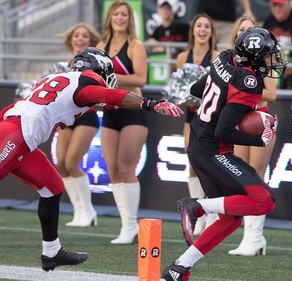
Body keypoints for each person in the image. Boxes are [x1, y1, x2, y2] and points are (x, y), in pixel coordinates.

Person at [0, 47, 183, 272]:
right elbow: (110, 96)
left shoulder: (56, 78)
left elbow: (17, 107)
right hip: (16, 135)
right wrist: (151, 104)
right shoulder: (86, 83)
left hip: (18, 136)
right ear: (100, 69)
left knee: (53, 187)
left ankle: (51, 252)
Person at [161, 28, 287, 280]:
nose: (272, 61)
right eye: (268, 56)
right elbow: (224, 130)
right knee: (265, 201)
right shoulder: (250, 83)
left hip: (198, 145)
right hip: (213, 150)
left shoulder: (226, 57)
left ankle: (178, 268)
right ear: (254, 56)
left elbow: (197, 89)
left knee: (231, 218)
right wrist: (259, 138)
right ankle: (197, 206)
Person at [96, 0, 149, 244]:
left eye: (124, 14)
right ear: (110, 18)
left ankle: (132, 224)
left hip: (132, 109)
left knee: (126, 167)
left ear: (130, 19)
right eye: (116, 14)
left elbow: (141, 78)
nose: (119, 18)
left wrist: (110, 76)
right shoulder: (101, 45)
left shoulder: (135, 46)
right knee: (112, 169)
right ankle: (127, 225)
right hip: (109, 110)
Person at [228, 15, 277, 257]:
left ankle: (255, 236)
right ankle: (250, 237)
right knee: (242, 179)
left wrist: (247, 88)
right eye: (242, 29)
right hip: (237, 122)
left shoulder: (263, 60)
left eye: (250, 29)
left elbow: (273, 94)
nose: (245, 33)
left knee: (257, 176)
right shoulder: (231, 60)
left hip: (259, 120)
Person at [175, 13, 220, 235]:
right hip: (191, 116)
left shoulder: (217, 56)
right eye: (199, 26)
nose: (202, 30)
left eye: (207, 27)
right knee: (192, 164)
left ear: (212, 32)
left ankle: (210, 214)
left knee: (209, 166)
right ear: (193, 30)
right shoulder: (183, 57)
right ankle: (195, 214)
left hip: (211, 118)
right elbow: (179, 90)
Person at [55, 23, 101, 228]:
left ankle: (89, 210)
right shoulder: (60, 66)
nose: (80, 39)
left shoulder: (95, 63)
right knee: (61, 164)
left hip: (86, 115)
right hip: (66, 116)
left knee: (72, 162)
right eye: (76, 36)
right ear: (71, 40)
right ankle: (78, 209)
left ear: (90, 41)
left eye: (84, 36)